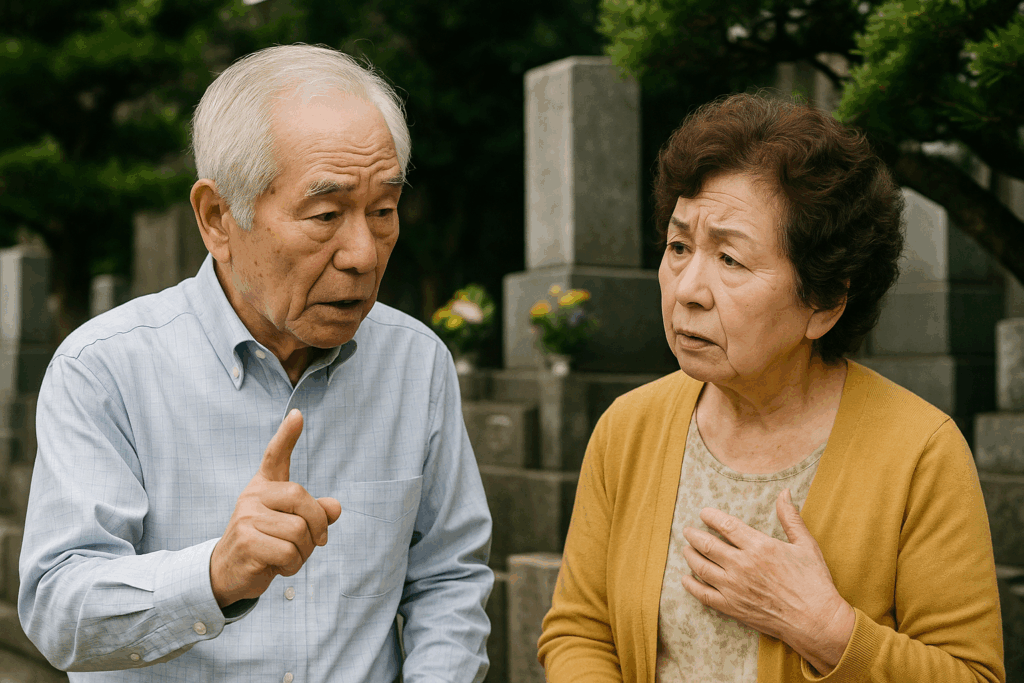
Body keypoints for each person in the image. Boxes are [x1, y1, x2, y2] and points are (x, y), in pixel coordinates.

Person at [19, 44, 493, 682]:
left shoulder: (415, 362)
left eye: (383, 211)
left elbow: (449, 579)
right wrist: (216, 576)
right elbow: (57, 610)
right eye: (326, 215)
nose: (362, 252)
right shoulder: (105, 368)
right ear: (217, 217)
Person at [537, 93, 1004, 682]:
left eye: (730, 259)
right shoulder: (629, 428)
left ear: (826, 300)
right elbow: (580, 630)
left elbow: (973, 676)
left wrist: (827, 628)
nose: (688, 289)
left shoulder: (920, 453)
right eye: (679, 247)